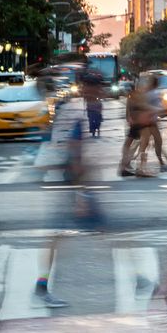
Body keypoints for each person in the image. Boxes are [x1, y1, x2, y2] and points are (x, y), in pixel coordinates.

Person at [33, 69, 108, 308]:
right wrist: (82, 194)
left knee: (57, 235)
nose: (99, 93)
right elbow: (76, 153)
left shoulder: (73, 108)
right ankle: (41, 286)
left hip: (66, 181)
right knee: (61, 234)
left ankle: (41, 285)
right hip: (71, 183)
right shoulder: (77, 111)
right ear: (89, 88)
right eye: (96, 88)